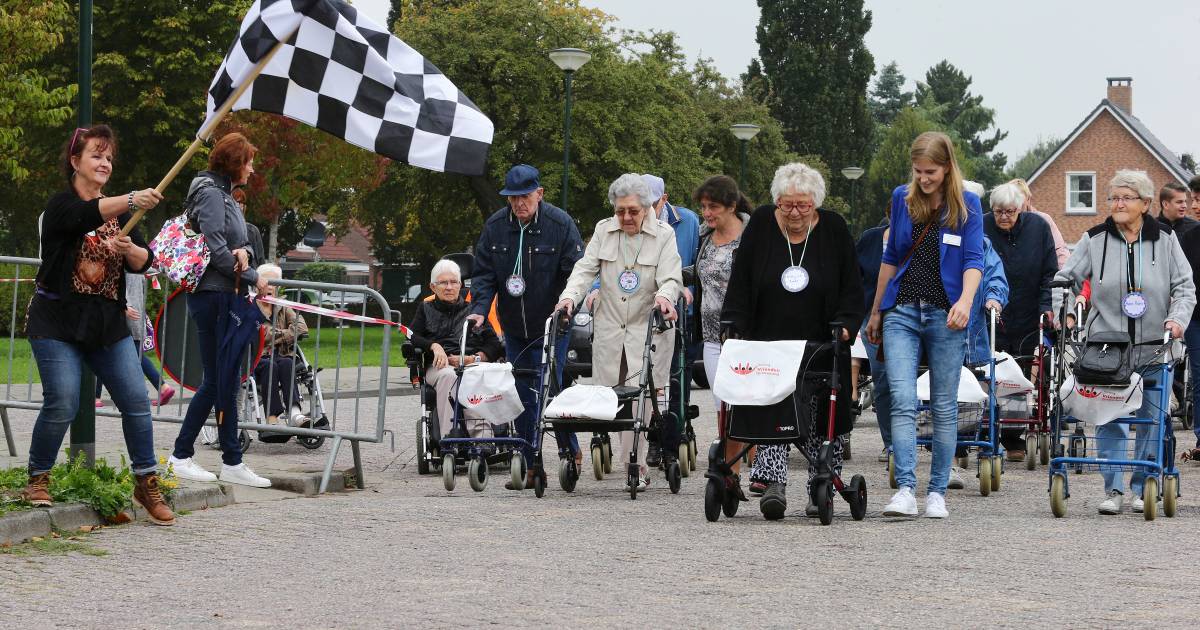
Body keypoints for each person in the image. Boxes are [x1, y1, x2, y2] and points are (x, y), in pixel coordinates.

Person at [20, 124, 174, 525]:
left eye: (108, 157)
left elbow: (146, 262)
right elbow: (83, 216)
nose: (105, 162)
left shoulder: (123, 213)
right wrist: (131, 198)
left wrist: (132, 248)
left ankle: (146, 482)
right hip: (56, 320)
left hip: (106, 324)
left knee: (137, 403)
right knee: (64, 401)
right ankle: (38, 477)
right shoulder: (60, 206)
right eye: (96, 155)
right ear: (75, 162)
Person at [721, 162, 864, 520]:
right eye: (787, 205)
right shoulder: (762, 227)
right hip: (768, 340)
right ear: (777, 202)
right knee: (772, 402)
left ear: (815, 203)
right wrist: (734, 322)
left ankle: (823, 481)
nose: (795, 212)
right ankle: (772, 482)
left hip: (821, 341)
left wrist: (848, 323)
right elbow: (740, 281)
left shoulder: (833, 229)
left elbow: (851, 285)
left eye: (803, 205)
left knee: (820, 409)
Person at [1054, 170, 1195, 515]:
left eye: (1125, 197)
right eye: (1113, 197)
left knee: (1151, 416)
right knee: (1109, 416)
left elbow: (1185, 287)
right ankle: (1113, 488)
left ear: (1145, 204)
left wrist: (1176, 319)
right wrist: (1066, 313)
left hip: (1154, 345)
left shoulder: (1165, 239)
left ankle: (1142, 484)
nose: (1117, 204)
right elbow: (1064, 279)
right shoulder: (1094, 239)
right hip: (1107, 347)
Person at [866, 131, 984, 519]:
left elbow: (972, 260)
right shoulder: (903, 197)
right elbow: (892, 255)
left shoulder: (967, 204)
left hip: (946, 312)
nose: (923, 178)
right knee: (901, 399)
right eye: (918, 171)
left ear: (947, 166)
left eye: (930, 171)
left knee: (945, 405)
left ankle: (937, 493)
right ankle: (905, 489)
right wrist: (877, 309)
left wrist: (965, 302)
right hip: (902, 309)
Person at [555, 173, 682, 491]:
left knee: (642, 400)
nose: (626, 217)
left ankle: (634, 466)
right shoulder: (603, 230)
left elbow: (671, 277)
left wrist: (665, 297)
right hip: (611, 326)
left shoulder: (664, 235)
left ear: (647, 208)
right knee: (612, 395)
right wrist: (569, 299)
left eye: (633, 211)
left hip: (648, 328)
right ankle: (620, 452)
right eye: (620, 210)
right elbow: (584, 270)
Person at [469, 164, 584, 488]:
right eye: (513, 198)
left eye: (525, 197)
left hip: (552, 324)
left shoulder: (559, 224)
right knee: (521, 390)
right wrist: (479, 309)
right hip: (515, 326)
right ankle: (531, 459)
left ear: (539, 194)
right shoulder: (495, 227)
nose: (519, 204)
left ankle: (568, 450)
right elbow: (484, 275)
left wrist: (566, 306)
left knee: (552, 386)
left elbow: (577, 272)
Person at [168, 132, 272, 489]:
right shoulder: (212, 194)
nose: (253, 168)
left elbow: (232, 244)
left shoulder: (219, 192)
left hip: (222, 293)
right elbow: (215, 249)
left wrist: (243, 253)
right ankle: (181, 455)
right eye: (249, 161)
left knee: (226, 380)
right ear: (234, 162)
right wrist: (252, 273)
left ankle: (231, 460)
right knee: (217, 380)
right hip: (214, 297)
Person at [983, 180, 1057, 461]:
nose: (1004, 217)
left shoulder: (1038, 228)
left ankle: (1013, 437)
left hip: (1027, 312)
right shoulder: (982, 226)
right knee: (990, 373)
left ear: (1021, 208)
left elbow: (1050, 271)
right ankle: (982, 432)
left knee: (1020, 375)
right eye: (999, 211)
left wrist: (1047, 306)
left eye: (1010, 212)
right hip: (992, 312)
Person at [691, 174, 754, 497]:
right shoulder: (703, 236)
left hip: (747, 335)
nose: (707, 213)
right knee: (723, 406)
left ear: (731, 205)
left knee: (749, 403)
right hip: (712, 334)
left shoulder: (752, 236)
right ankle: (731, 474)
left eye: (713, 207)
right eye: (703, 207)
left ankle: (755, 465)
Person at [641, 173, 699, 468]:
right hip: (642, 313)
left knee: (675, 381)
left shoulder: (687, 221)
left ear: (663, 199)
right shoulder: (629, 220)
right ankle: (651, 439)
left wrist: (684, 283)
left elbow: (699, 261)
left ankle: (670, 443)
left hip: (680, 312)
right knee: (647, 381)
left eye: (651, 203)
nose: (644, 208)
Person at [410, 259, 504, 442]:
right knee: (450, 377)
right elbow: (412, 336)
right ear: (433, 286)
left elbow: (494, 344)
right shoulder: (425, 309)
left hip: (471, 365)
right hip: (440, 368)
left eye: (453, 282)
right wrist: (434, 346)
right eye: (443, 282)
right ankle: (449, 437)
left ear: (460, 285)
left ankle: (483, 437)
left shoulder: (474, 312)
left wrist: (474, 358)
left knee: (473, 376)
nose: (449, 287)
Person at [94, 271, 175, 409]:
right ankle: (157, 387)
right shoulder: (136, 266)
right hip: (135, 314)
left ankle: (97, 397)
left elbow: (120, 286)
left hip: (125, 314)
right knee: (129, 354)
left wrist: (124, 306)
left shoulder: (125, 263)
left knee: (105, 350)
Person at [252, 264, 311, 427]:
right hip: (258, 356)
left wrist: (273, 335)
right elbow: (259, 334)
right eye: (267, 281)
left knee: (287, 363)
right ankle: (271, 418)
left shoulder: (283, 306)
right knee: (270, 366)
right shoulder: (250, 305)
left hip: (282, 354)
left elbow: (301, 327)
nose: (270, 286)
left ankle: (294, 413)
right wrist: (285, 333)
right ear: (258, 283)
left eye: (274, 283)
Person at [856, 217, 893, 464]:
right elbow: (854, 274)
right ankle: (890, 443)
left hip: (908, 315)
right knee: (882, 379)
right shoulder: (870, 238)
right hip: (872, 318)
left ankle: (923, 441)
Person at [1011, 178, 1069, 268]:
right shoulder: (1003, 222)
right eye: (1012, 198)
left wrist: (1063, 277)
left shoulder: (1043, 220)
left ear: (1028, 199)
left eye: (1019, 198)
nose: (1016, 203)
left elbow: (1059, 250)